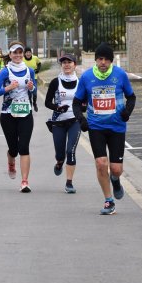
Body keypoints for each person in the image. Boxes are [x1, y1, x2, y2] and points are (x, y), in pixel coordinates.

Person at [72, 42, 136, 215]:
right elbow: (76, 103)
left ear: (111, 61)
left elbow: (131, 97)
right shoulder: (86, 77)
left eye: (106, 59)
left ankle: (115, 180)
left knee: (116, 169)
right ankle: (109, 201)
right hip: (96, 127)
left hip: (116, 127)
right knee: (101, 164)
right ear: (95, 60)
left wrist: (127, 112)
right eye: (100, 59)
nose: (103, 63)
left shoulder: (120, 75)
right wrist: (81, 120)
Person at [0, 42, 37, 193]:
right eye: (14, 53)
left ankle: (24, 181)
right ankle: (11, 161)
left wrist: (31, 88)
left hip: (25, 113)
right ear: (10, 55)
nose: (18, 55)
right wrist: (8, 88)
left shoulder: (29, 70)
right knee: (14, 149)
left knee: (24, 147)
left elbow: (34, 88)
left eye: (20, 52)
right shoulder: (5, 72)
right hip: (8, 114)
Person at [44, 54, 82, 194]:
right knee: (60, 154)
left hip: (74, 121)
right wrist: (58, 108)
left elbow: (85, 102)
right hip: (58, 122)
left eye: (69, 62)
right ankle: (59, 162)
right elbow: (47, 102)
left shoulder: (81, 82)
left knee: (70, 151)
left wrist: (82, 108)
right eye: (64, 62)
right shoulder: (56, 82)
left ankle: (69, 182)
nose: (66, 65)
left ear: (75, 65)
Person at [24, 47, 42, 112]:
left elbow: (39, 64)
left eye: (29, 52)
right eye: (27, 52)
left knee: (34, 93)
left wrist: (38, 70)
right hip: (26, 79)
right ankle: (30, 106)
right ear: (24, 53)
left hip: (34, 78)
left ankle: (34, 103)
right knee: (29, 94)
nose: (28, 54)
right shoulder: (22, 59)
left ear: (31, 53)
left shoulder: (35, 58)